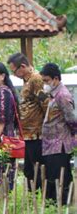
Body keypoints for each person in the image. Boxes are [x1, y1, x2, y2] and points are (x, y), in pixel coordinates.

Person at [8, 53, 48, 191]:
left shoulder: (36, 80)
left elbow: (45, 103)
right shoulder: (27, 81)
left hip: (36, 133)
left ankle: (40, 197)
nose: (14, 75)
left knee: (36, 170)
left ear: (23, 66)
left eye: (15, 71)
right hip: (28, 134)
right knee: (29, 171)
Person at [40, 63, 76, 204]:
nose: (45, 84)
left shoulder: (62, 95)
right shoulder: (53, 95)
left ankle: (63, 207)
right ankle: (55, 206)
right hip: (51, 146)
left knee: (60, 179)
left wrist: (73, 135)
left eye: (47, 81)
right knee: (53, 178)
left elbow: (71, 119)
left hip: (59, 145)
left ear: (55, 79)